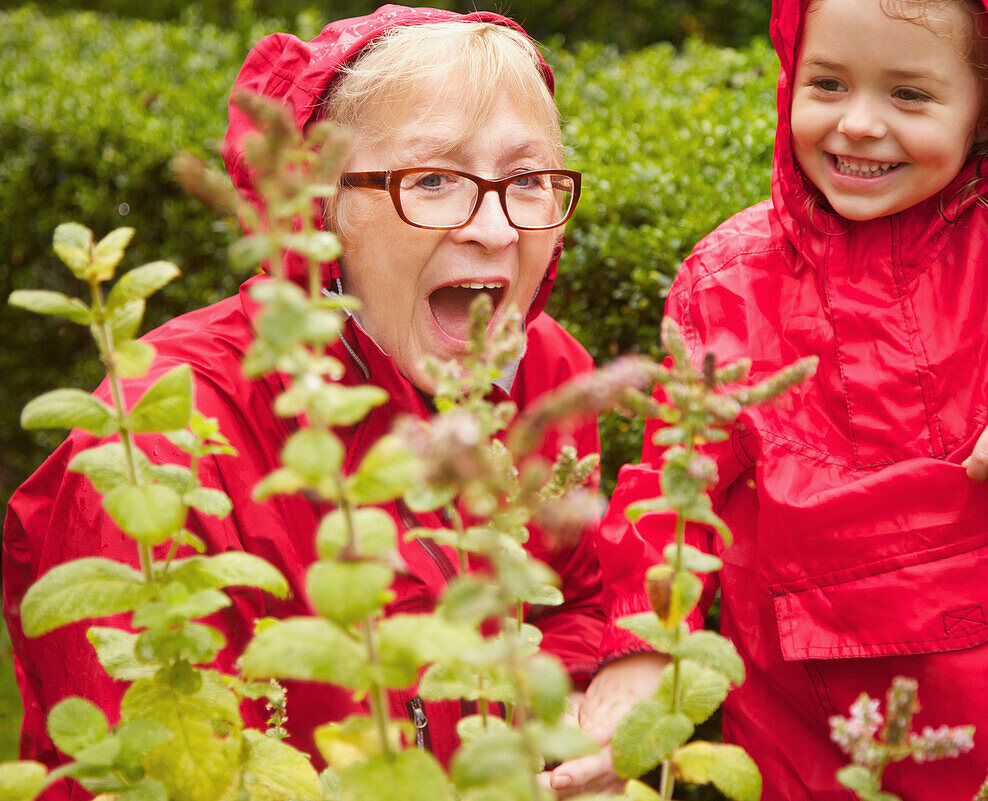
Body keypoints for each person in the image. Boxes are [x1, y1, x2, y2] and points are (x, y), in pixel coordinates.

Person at [3, 6, 604, 796]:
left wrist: (565, 723)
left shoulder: (546, 374)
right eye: (432, 179)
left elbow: (580, 593)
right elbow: (149, 758)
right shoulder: (158, 442)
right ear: (322, 206)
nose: (494, 226)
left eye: (527, 180)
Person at [548, 0, 988, 799]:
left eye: (909, 96)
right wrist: (644, 654)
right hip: (806, 740)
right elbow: (672, 490)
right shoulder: (729, 283)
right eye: (828, 83)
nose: (859, 124)